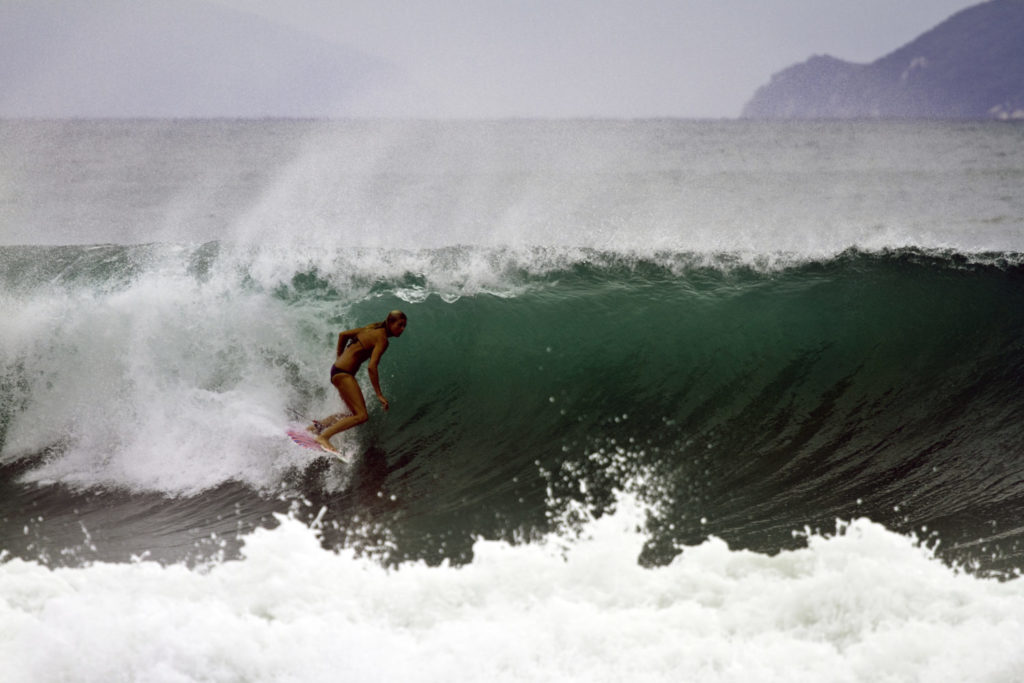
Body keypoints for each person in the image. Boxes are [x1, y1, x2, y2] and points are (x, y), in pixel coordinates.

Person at [312, 310, 407, 454]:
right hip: (344, 374)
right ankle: (324, 437)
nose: (402, 329)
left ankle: (317, 427)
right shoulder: (382, 339)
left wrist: (339, 357)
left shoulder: (372, 328)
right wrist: (379, 395)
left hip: (337, 371)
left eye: (404, 326)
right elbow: (372, 367)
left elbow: (343, 335)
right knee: (362, 416)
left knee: (353, 414)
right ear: (390, 323)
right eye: (400, 325)